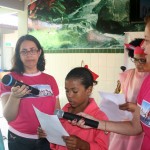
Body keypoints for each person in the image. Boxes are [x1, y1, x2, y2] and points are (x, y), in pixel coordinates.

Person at [70, 15, 150, 150]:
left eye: (147, 40)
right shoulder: (147, 83)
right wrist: (96, 123)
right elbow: (135, 127)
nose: (143, 46)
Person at [0, 34, 60, 150]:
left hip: (47, 138)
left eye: (32, 50)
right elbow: (9, 117)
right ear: (19, 55)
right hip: (19, 139)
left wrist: (53, 129)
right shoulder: (10, 80)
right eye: (24, 51)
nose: (29, 55)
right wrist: (15, 97)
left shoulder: (50, 80)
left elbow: (57, 111)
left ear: (39, 52)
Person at [38, 67, 109, 150]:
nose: (69, 95)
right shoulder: (65, 109)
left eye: (75, 91)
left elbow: (102, 147)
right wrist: (47, 134)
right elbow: (57, 142)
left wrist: (83, 145)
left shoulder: (100, 118)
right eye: (67, 91)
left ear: (89, 90)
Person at [109, 39, 149, 150]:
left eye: (142, 60)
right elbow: (118, 94)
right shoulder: (127, 75)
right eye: (135, 60)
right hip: (125, 124)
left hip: (142, 128)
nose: (138, 64)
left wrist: (135, 108)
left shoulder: (148, 79)